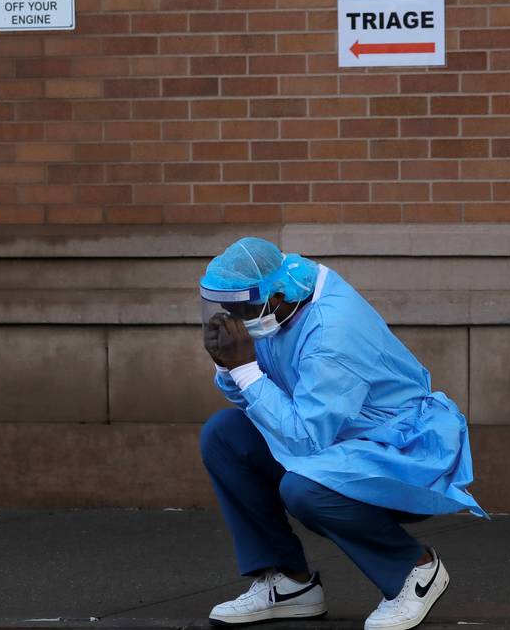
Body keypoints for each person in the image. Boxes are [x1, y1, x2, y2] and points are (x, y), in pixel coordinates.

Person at [197, 237, 486, 630]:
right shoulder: (281, 307)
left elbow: (303, 436)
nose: (234, 319)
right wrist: (229, 367)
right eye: (227, 309)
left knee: (304, 490)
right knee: (224, 435)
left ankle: (414, 569)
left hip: (398, 450)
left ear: (278, 295)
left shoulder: (332, 331)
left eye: (241, 309)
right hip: (336, 437)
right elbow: (259, 402)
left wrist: (243, 367)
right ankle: (289, 582)